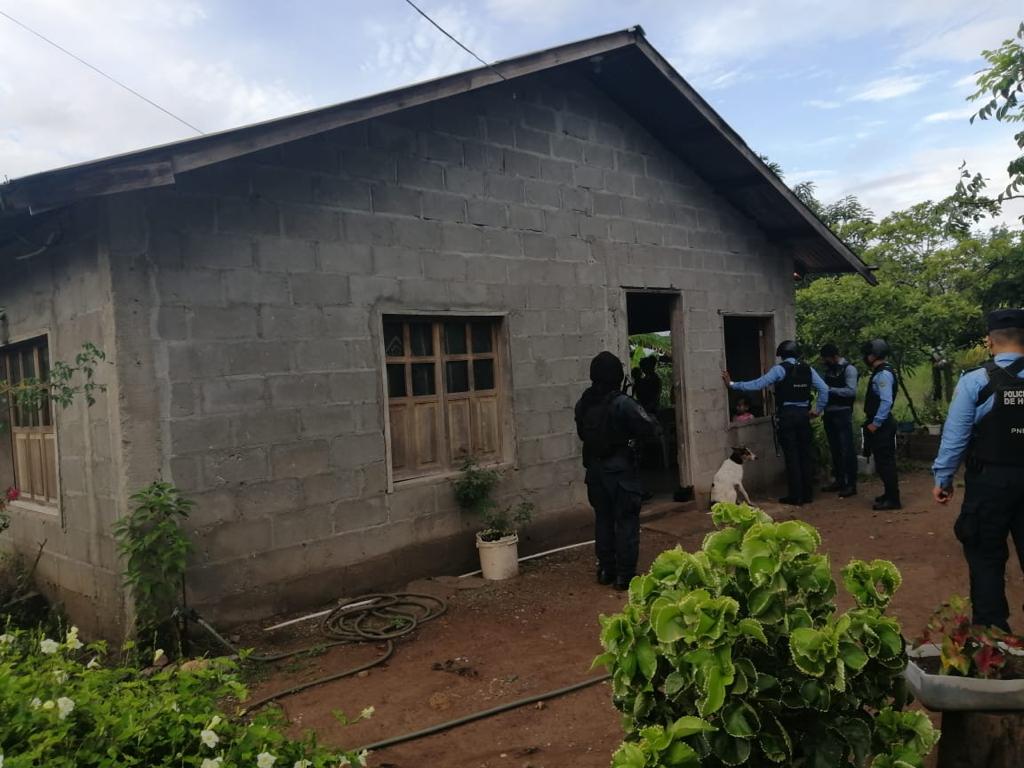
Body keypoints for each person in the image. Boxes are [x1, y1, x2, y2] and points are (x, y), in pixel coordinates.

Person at [932, 309, 1024, 630]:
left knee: (985, 559)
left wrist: (943, 479)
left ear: (989, 341)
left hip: (989, 483)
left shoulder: (975, 381)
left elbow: (955, 437)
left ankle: (992, 638)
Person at [575, 351, 662, 590]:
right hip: (621, 472)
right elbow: (650, 429)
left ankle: (606, 570)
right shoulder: (622, 403)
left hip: (595, 472)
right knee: (626, 522)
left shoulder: (583, 403)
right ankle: (624, 575)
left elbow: (582, 434)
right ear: (617, 376)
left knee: (603, 520)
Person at [722, 340, 828, 505]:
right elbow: (824, 389)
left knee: (792, 456)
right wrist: (818, 409)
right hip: (803, 416)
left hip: (787, 416)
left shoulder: (780, 369)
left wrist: (733, 384)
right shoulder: (808, 369)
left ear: (783, 355)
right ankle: (807, 495)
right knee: (805, 455)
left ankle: (796, 496)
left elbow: (758, 384)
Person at [861, 339, 901, 511]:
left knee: (886, 463)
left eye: (867, 354)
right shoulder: (882, 371)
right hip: (881, 423)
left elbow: (886, 401)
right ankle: (888, 494)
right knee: (882, 461)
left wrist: (876, 423)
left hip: (881, 424)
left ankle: (893, 499)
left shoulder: (883, 374)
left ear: (873, 355)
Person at [819, 343, 859, 497]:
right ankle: (839, 480)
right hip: (829, 413)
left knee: (846, 449)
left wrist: (830, 390)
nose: (824, 362)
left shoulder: (849, 369)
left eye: (826, 358)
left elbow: (851, 391)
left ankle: (851, 484)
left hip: (843, 413)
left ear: (834, 356)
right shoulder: (830, 370)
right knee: (835, 449)